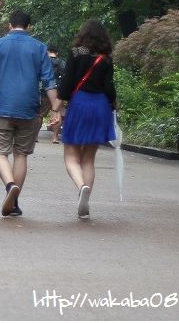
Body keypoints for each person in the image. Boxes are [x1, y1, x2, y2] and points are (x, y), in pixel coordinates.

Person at [0, 10, 58, 218]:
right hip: (29, 108)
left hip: (4, 107)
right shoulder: (39, 48)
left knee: (0, 152)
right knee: (21, 154)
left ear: (9, 25)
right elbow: (49, 81)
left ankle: (9, 186)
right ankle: (14, 202)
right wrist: (56, 108)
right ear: (29, 27)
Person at [59, 20, 118, 219]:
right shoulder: (106, 58)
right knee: (89, 159)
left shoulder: (76, 53)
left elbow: (67, 82)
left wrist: (58, 104)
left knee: (71, 156)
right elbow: (109, 87)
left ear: (83, 34)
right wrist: (113, 103)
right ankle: (86, 198)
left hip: (80, 104)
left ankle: (81, 186)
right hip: (100, 106)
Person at [44, 44, 67, 144]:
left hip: (44, 89)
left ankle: (34, 137)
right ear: (57, 52)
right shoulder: (61, 62)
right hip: (58, 90)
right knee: (58, 112)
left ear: (47, 51)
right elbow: (66, 75)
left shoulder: (43, 62)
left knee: (39, 114)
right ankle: (55, 137)